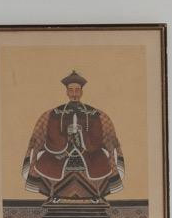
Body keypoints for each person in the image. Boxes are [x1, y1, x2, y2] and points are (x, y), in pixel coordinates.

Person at [21, 71, 125, 203]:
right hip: (60, 152)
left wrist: (82, 137)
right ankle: (55, 194)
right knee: (48, 163)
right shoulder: (54, 113)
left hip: (89, 152)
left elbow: (99, 135)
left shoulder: (94, 113)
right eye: (71, 90)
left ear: (81, 91)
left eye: (77, 90)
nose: (74, 94)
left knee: (100, 162)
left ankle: (94, 195)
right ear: (67, 92)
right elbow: (48, 134)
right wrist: (65, 140)